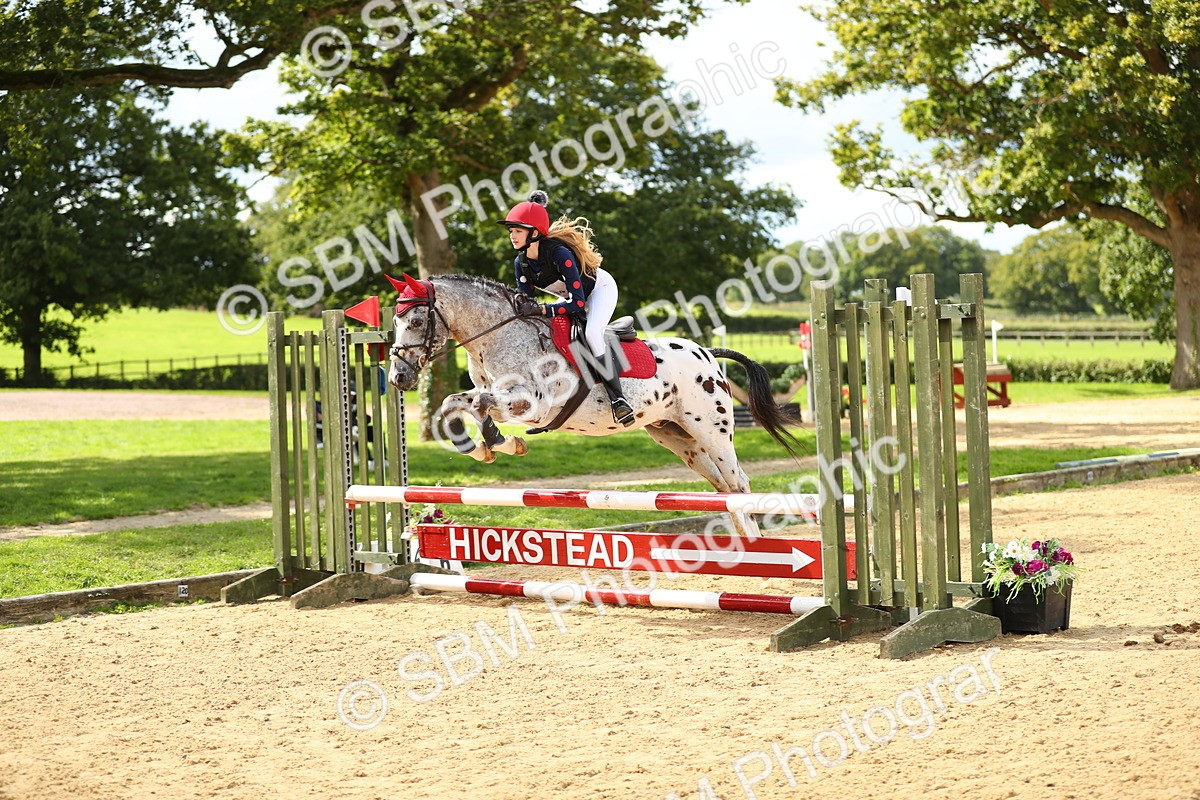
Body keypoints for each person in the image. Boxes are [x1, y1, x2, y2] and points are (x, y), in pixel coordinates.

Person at [497, 190, 634, 426]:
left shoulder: (560, 254)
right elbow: (528, 301)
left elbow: (578, 303)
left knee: (592, 333)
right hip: (569, 297)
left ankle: (618, 400)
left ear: (534, 233)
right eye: (511, 231)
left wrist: (543, 310)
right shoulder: (521, 262)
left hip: (598, 290)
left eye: (518, 230)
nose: (512, 236)